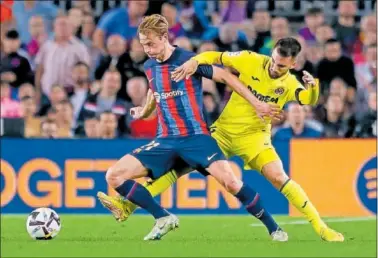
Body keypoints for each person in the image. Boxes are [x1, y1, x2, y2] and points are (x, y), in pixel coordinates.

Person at [108, 37, 344, 242]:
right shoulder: (250, 59)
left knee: (279, 177)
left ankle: (321, 228)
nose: (274, 67)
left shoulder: (290, 82)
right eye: (273, 60)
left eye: (281, 66)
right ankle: (128, 205)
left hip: (255, 138)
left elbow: (308, 100)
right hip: (222, 133)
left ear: (293, 64)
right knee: (176, 168)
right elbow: (216, 56)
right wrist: (195, 61)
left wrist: (313, 88)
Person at [97, 14, 286, 241]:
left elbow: (225, 76)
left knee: (231, 182)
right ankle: (163, 217)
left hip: (196, 138)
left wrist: (257, 103)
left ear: (164, 37)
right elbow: (154, 91)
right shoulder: (149, 66)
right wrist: (144, 111)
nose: (146, 49)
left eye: (151, 43)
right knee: (114, 176)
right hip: (165, 140)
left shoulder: (189, 60)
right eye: (143, 44)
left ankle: (275, 228)